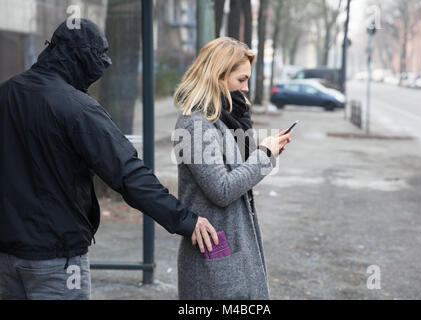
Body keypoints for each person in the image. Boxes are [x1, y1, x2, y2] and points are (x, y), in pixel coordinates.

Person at [0, 19, 218, 300]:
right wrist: (186, 221)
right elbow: (128, 175)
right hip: (58, 261)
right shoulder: (78, 109)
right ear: (83, 61)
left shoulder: (5, 95)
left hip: (6, 257)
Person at [173, 37, 292, 300]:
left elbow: (235, 173)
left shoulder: (222, 120)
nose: (246, 88)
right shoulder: (195, 124)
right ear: (218, 76)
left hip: (230, 249)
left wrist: (262, 151)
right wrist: (264, 155)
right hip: (213, 254)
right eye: (241, 80)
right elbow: (222, 189)